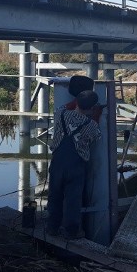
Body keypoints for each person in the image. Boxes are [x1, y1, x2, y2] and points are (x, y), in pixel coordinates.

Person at [45, 89, 102, 239]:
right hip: (76, 166)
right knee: (73, 200)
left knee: (54, 196)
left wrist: (77, 99)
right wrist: (97, 114)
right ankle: (71, 232)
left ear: (76, 102)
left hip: (57, 162)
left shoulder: (60, 114)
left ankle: (52, 228)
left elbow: (63, 107)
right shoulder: (91, 125)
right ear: (91, 108)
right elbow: (97, 136)